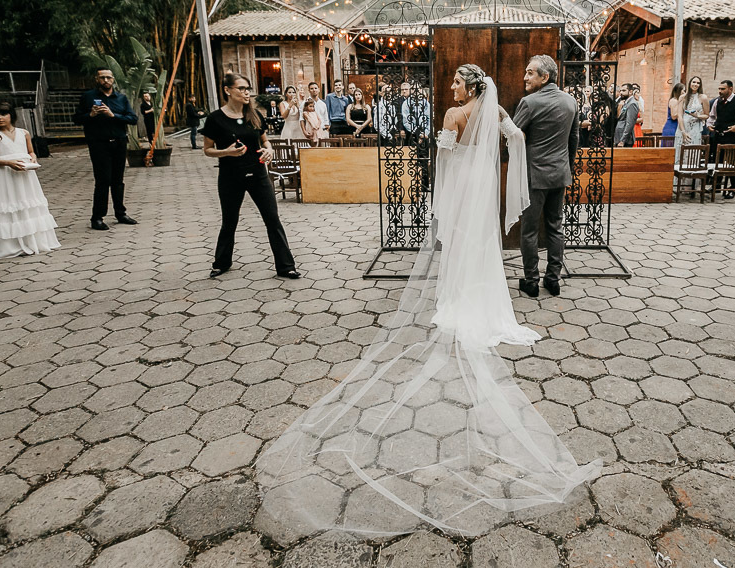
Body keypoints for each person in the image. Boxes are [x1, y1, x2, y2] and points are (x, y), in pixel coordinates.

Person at [256, 63, 598, 537]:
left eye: (457, 81)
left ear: (469, 85)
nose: (451, 87)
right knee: (482, 247)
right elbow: (514, 139)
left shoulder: (455, 114)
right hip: (487, 193)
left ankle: (455, 297)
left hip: (462, 192)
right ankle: (485, 300)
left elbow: (442, 162)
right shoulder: (498, 107)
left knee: (458, 245)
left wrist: (446, 182)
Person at [201, 73, 299, 280]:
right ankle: (221, 263)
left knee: (272, 219)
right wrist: (226, 152)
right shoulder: (215, 119)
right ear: (228, 90)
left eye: (248, 88)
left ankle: (286, 266)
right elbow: (207, 150)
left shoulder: (254, 115)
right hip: (230, 176)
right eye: (241, 88)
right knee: (230, 221)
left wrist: (269, 150)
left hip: (258, 174)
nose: (247, 92)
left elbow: (265, 141)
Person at [514, 55, 580, 298]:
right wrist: (566, 166)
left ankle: (531, 281)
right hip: (560, 174)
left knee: (529, 230)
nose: (525, 77)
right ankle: (553, 279)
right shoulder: (570, 102)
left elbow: (513, 136)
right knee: (555, 227)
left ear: (545, 77)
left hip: (534, 177)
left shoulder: (529, 103)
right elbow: (574, 140)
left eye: (530, 73)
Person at [0, 102, 60, 259]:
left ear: (11, 115)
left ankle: (35, 241)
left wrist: (32, 159)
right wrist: (8, 163)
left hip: (25, 174)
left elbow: (30, 151)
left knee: (27, 202)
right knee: (9, 205)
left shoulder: (24, 133)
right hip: (4, 175)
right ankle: (12, 245)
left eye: (3, 114)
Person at [73, 67, 138, 230]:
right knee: (103, 181)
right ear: (97, 79)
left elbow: (133, 119)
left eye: (108, 77)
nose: (106, 81)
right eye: (102, 78)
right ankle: (97, 217)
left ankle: (120, 213)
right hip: (99, 143)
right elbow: (76, 119)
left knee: (118, 180)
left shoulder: (121, 98)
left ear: (113, 79)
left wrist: (113, 115)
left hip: (119, 142)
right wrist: (91, 115)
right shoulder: (88, 97)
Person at [677, 76, 708, 150]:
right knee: (680, 150)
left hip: (695, 127)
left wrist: (697, 116)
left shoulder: (703, 97)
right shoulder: (682, 97)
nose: (696, 84)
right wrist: (683, 132)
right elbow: (679, 115)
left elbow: (707, 115)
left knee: (692, 151)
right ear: (690, 83)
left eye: (698, 83)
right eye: (694, 82)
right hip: (682, 127)